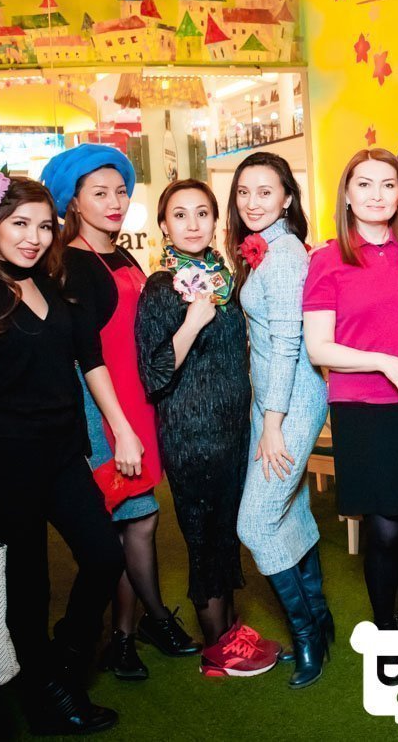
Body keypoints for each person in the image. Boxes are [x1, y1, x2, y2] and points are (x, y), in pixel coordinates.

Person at [0, 175, 124, 734]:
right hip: (4, 464)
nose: (33, 237)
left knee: (104, 556)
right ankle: (46, 694)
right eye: (20, 224)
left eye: (44, 226)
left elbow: (88, 355)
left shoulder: (53, 283)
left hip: (62, 455)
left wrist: (118, 430)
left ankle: (66, 655)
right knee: (29, 587)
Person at [42, 144, 199, 682]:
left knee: (129, 525)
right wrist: (122, 430)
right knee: (137, 519)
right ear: (73, 201)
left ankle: (124, 639)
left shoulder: (122, 256)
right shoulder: (74, 263)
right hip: (104, 407)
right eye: (100, 193)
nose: (115, 202)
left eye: (120, 191)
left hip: (134, 400)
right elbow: (87, 357)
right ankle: (155, 620)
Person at [135, 180, 281, 678]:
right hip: (192, 435)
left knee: (224, 531)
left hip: (232, 430)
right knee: (202, 537)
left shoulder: (225, 279)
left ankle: (230, 631)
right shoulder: (160, 288)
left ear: (215, 221)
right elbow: (154, 374)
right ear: (164, 225)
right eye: (180, 215)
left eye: (202, 213)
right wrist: (192, 322)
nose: (193, 224)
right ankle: (218, 650)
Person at [304, 149, 398, 634]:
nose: (377, 195)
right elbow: (319, 347)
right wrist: (386, 361)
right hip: (362, 407)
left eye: (388, 184)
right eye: (364, 184)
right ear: (347, 194)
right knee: (384, 528)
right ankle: (386, 635)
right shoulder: (328, 259)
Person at [228, 152, 332, 688]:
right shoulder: (266, 247)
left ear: (288, 197)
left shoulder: (286, 254)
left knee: (255, 522)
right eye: (244, 192)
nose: (252, 202)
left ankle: (307, 636)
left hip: (288, 401)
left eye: (265, 192)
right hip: (271, 398)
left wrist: (273, 423)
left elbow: (290, 342)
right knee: (288, 508)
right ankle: (321, 622)